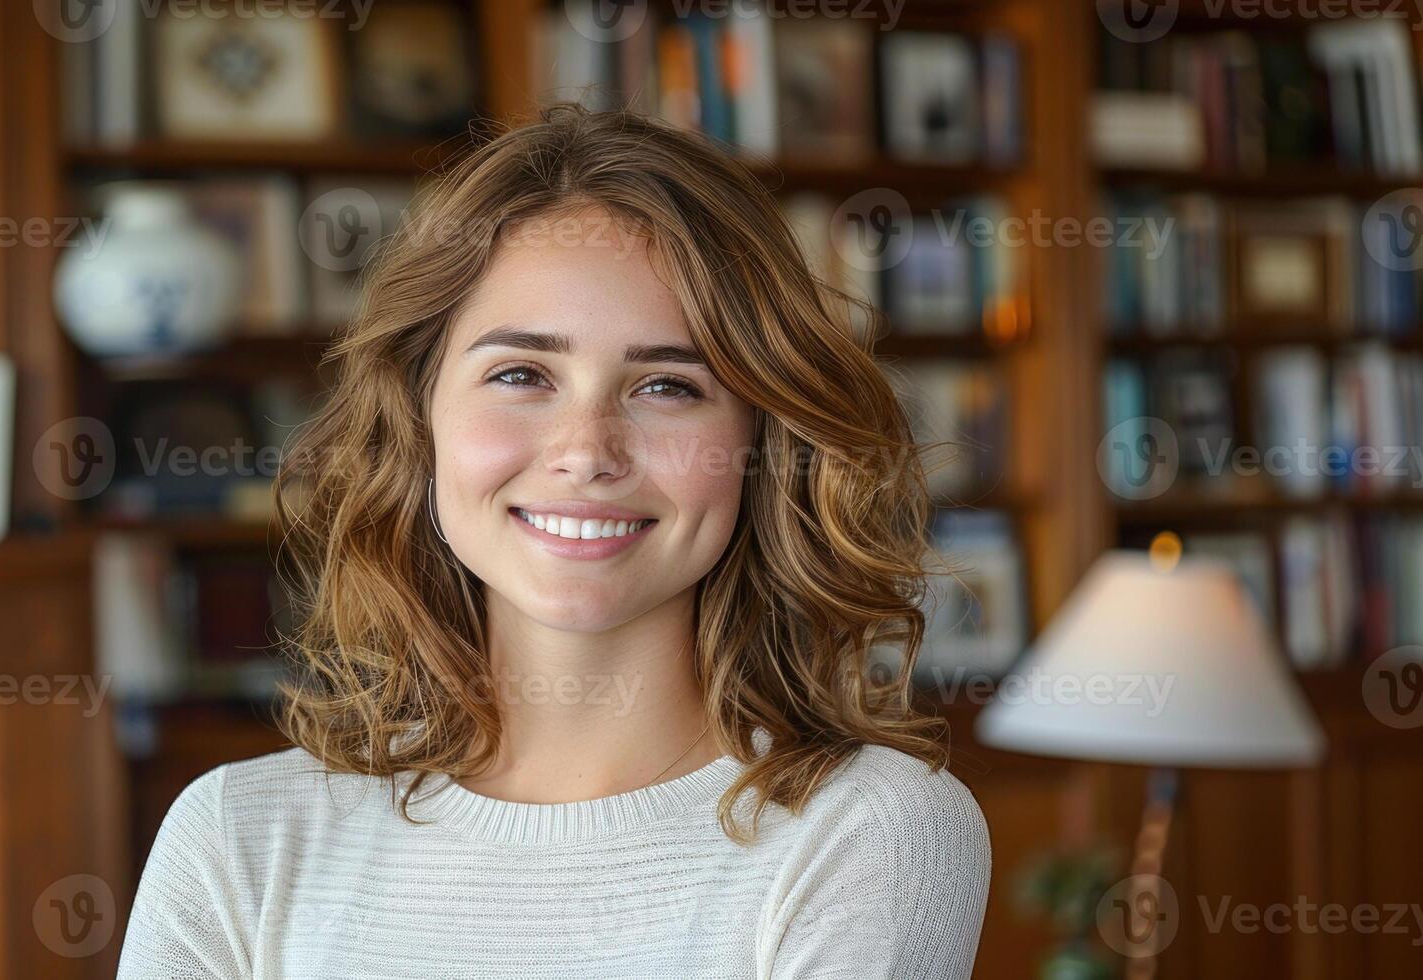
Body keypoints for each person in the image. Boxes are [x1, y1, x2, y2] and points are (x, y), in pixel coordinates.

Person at [117, 105, 990, 979]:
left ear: (764, 440)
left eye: (665, 386)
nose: (586, 452)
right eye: (521, 375)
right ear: (417, 419)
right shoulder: (238, 835)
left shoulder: (874, 829)